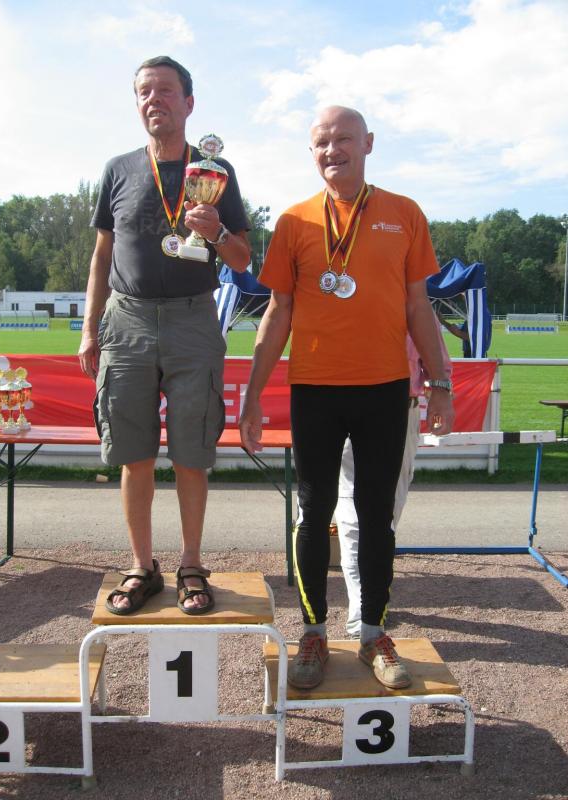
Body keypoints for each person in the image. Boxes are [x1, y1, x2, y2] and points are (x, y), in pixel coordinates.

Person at [239, 106, 454, 690]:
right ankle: (312, 632)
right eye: (321, 142)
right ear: (312, 152)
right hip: (315, 388)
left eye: (343, 139)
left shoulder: (404, 214)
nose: (332, 150)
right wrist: (253, 395)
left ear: (368, 143)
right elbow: (277, 312)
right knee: (313, 513)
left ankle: (372, 634)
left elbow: (419, 307)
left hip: (385, 388)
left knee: (376, 515)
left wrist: (439, 383)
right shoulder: (293, 220)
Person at [79, 56, 250, 615]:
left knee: (191, 452)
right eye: (145, 92)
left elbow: (242, 259)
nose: (155, 100)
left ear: (189, 103)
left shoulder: (216, 170)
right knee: (133, 452)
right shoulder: (119, 169)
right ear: (137, 104)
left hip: (193, 319)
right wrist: (89, 328)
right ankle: (141, 566)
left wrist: (216, 231)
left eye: (166, 91)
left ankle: (192, 564)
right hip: (126, 321)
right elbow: (102, 254)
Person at [336, 325, 452, 638]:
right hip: (344, 403)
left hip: (402, 407)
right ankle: (362, 607)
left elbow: (436, 355)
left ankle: (371, 596)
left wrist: (441, 392)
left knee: (387, 512)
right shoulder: (339, 295)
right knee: (351, 512)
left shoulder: (412, 300)